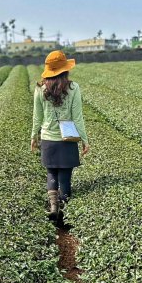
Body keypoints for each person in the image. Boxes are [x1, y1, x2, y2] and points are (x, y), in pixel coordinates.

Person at [31, 50, 90, 218]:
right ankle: (65, 214)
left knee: (51, 173)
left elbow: (37, 116)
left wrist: (33, 137)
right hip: (68, 139)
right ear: (65, 69)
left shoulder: (40, 89)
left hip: (48, 138)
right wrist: (85, 140)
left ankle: (53, 206)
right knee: (65, 176)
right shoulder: (73, 88)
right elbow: (78, 117)